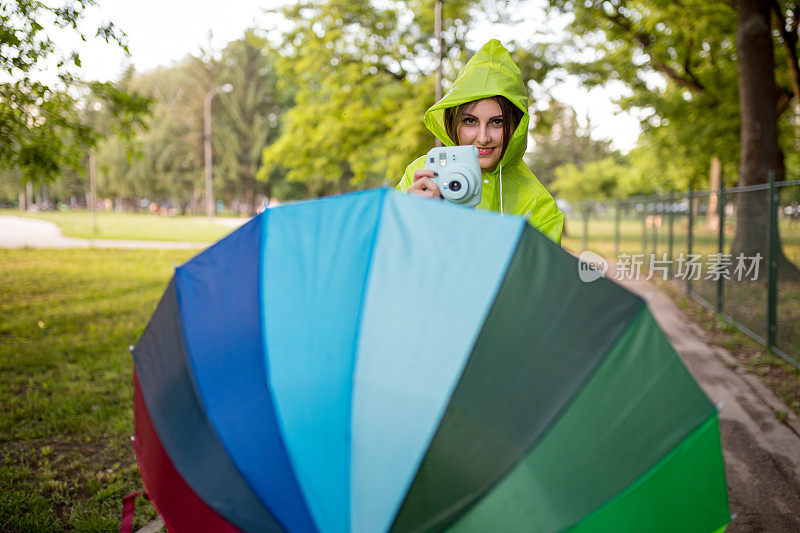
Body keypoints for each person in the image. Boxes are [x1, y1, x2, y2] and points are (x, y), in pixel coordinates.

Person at [396, 40, 564, 244]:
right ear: (453, 124)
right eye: (470, 121)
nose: (483, 138)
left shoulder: (539, 205)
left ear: (516, 127)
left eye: (497, 122)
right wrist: (410, 218)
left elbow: (536, 275)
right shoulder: (420, 174)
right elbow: (390, 257)